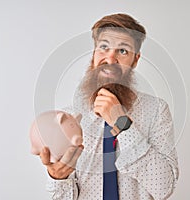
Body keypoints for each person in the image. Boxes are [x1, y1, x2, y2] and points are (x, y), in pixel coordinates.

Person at [39, 13, 179, 200]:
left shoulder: (156, 111)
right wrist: (58, 177)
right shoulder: (70, 117)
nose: (110, 59)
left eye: (122, 51)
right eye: (104, 47)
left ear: (135, 60)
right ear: (94, 54)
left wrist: (122, 123)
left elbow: (163, 188)